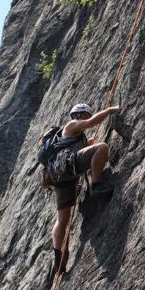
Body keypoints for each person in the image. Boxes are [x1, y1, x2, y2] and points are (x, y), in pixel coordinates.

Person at [50, 103, 120, 274]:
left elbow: (78, 148)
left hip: (61, 177)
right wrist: (109, 111)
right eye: (85, 115)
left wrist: (87, 144)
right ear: (78, 115)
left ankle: (58, 256)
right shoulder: (72, 124)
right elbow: (91, 123)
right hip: (69, 168)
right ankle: (95, 186)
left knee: (62, 220)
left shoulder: (71, 137)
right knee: (102, 147)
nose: (87, 117)